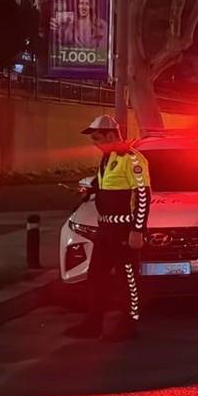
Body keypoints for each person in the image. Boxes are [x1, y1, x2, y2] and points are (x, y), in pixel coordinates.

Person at [64, 115, 150, 341]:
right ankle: (93, 323)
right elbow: (104, 185)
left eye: (97, 138)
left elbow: (143, 195)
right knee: (96, 276)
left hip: (124, 228)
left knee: (128, 277)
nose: (94, 142)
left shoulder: (131, 159)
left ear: (111, 135)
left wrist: (138, 229)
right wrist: (89, 191)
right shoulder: (107, 158)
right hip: (106, 228)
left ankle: (128, 324)